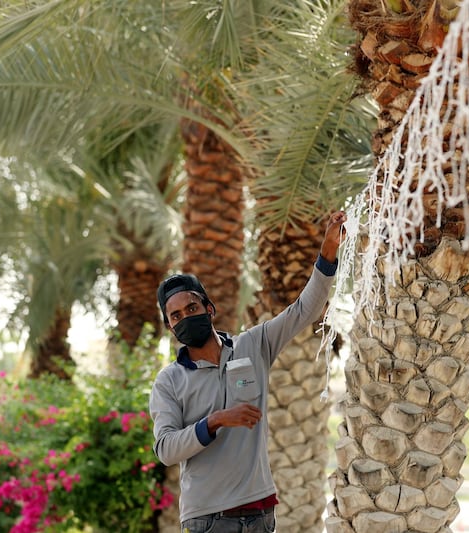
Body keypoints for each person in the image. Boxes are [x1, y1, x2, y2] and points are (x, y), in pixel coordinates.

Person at [149, 210, 347, 533]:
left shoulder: (254, 345)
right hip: (206, 519)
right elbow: (166, 449)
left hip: (259, 513)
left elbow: (305, 310)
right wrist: (216, 420)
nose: (185, 318)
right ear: (170, 326)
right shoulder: (169, 381)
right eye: (175, 316)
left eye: (192, 308)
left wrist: (328, 252)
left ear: (209, 309)